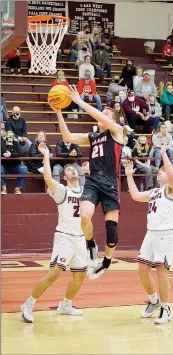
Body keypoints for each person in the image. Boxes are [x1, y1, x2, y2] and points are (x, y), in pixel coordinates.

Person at [49, 85, 124, 279]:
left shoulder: (117, 131)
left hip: (109, 181)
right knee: (84, 217)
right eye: (102, 111)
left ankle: (106, 262)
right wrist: (59, 113)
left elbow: (101, 117)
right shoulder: (93, 136)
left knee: (112, 232)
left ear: (112, 120)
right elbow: (67, 137)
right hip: (92, 180)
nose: (101, 114)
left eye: (106, 113)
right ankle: (90, 243)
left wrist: (80, 102)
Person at [21, 143, 87, 323]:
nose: (72, 170)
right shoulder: (62, 191)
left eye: (74, 168)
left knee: (80, 275)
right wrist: (46, 155)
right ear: (64, 176)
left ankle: (66, 304)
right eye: (69, 169)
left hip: (80, 238)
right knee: (54, 273)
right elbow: (48, 178)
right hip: (64, 237)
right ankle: (28, 304)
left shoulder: (87, 192)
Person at [123, 145, 173, 324]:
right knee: (142, 269)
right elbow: (135, 196)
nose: (159, 173)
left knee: (161, 271)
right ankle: (154, 301)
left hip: (166, 233)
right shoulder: (154, 191)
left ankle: (166, 307)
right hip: (151, 233)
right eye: (159, 172)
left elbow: (171, 176)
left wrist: (163, 155)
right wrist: (130, 175)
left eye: (162, 171)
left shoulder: (172, 189)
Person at [1, 128, 28, 195]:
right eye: (8, 136)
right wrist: (5, 144)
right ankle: (4, 189)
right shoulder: (2, 143)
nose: (10, 138)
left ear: (13, 137)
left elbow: (21, 152)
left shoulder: (16, 143)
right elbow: (2, 152)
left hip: (15, 166)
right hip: (4, 166)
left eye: (11, 136)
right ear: (5, 137)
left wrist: (11, 154)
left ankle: (17, 189)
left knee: (24, 168)